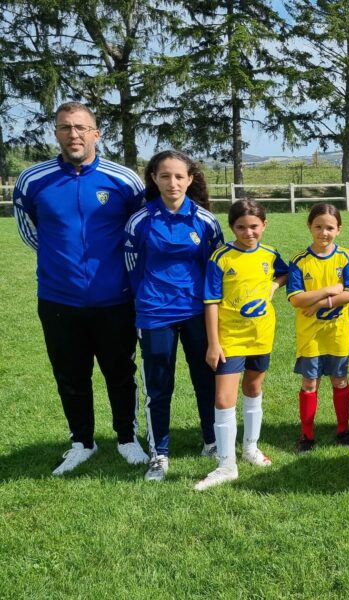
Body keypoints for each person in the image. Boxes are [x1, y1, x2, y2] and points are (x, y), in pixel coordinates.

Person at [13, 101, 149, 475]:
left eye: (80, 127)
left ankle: (127, 438)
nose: (73, 134)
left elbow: (138, 230)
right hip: (58, 299)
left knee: (120, 372)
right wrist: (62, 260)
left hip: (116, 299)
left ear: (96, 134)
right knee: (70, 376)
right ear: (56, 133)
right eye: (65, 127)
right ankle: (82, 442)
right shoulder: (32, 180)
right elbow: (30, 233)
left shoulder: (124, 180)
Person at [125, 150, 223, 481]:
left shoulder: (206, 221)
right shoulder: (140, 221)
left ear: (190, 179)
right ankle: (159, 453)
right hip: (155, 313)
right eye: (165, 176)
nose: (173, 182)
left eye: (179, 176)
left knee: (206, 380)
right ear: (154, 178)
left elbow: (216, 270)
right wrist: (148, 298)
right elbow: (132, 269)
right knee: (158, 386)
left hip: (197, 312)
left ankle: (211, 442)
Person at [195, 200, 288, 491]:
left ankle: (250, 448)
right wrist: (214, 343)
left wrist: (274, 285)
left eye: (254, 226)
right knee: (224, 399)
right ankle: (226, 465)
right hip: (230, 338)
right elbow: (211, 302)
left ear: (264, 225)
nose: (249, 232)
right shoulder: (221, 257)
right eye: (241, 227)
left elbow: (285, 272)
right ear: (231, 228)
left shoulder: (270, 254)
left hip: (261, 335)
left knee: (253, 387)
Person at [287, 203, 349, 452]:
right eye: (318, 227)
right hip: (310, 335)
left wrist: (320, 303)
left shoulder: (345, 257)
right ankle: (307, 435)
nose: (324, 233)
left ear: (339, 229)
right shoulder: (300, 261)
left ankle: (343, 431)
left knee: (340, 381)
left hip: (337, 333)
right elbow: (296, 299)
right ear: (309, 226)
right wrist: (330, 289)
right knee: (310, 384)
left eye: (329, 228)